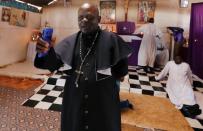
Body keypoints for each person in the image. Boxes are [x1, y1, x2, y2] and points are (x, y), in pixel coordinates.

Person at [34, 3, 132, 131]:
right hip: (75, 101)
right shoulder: (69, 42)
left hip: (102, 103)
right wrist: (44, 53)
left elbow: (121, 71)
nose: (84, 20)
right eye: (80, 17)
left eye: (89, 17)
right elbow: (53, 64)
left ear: (99, 19)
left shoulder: (113, 41)